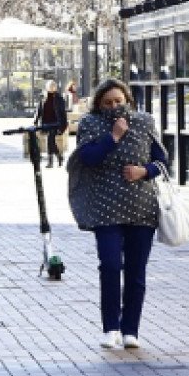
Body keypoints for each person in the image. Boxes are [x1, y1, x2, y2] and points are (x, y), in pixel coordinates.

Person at [67, 79, 168, 350]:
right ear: (99, 104)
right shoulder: (90, 125)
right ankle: (111, 327)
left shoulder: (145, 123)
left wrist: (144, 171)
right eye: (108, 103)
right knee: (110, 266)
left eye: (118, 102)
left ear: (127, 101)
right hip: (105, 209)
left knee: (136, 271)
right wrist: (113, 137)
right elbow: (87, 158)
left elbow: (163, 160)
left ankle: (130, 330)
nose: (114, 107)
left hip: (141, 208)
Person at [36, 80, 69, 168]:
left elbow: (63, 113)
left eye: (53, 86)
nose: (51, 87)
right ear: (47, 87)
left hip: (56, 123)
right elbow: (39, 110)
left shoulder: (59, 98)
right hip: (46, 122)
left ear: (55, 87)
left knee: (50, 140)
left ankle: (50, 162)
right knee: (51, 141)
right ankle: (59, 157)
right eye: (50, 86)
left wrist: (64, 125)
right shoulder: (43, 97)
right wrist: (35, 120)